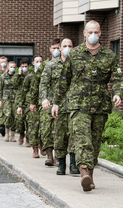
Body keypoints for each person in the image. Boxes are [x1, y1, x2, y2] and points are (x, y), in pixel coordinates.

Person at [52, 20, 123, 191]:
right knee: (82, 137)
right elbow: (64, 80)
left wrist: (117, 92)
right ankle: (83, 170)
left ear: (100, 34)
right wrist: (56, 102)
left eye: (96, 32)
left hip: (100, 106)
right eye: (90, 32)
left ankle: (90, 176)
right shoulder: (74, 54)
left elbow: (117, 78)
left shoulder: (109, 56)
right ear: (84, 33)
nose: (93, 35)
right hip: (78, 105)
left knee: (95, 141)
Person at [40, 38, 80, 175]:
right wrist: (44, 99)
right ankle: (61, 164)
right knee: (59, 136)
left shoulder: (78, 65)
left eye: (70, 45)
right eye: (65, 46)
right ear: (60, 48)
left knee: (74, 135)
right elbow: (43, 83)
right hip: (57, 106)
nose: (67, 48)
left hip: (74, 106)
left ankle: (73, 164)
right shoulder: (51, 65)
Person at [30, 38, 60, 166]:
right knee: (46, 129)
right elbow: (36, 83)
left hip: (61, 103)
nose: (56, 50)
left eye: (59, 48)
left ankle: (59, 155)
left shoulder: (67, 63)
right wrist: (33, 101)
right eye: (54, 48)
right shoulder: (44, 65)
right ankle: (49, 155)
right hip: (46, 103)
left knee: (59, 130)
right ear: (50, 49)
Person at [17, 55, 46, 157]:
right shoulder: (29, 77)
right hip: (32, 106)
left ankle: (42, 145)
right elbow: (23, 92)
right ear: (33, 63)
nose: (39, 63)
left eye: (41, 61)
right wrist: (20, 106)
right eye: (37, 61)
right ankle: (35, 149)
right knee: (33, 128)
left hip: (43, 104)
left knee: (43, 128)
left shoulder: (45, 74)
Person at [13, 58, 32, 147]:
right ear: (20, 67)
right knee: (19, 120)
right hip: (20, 100)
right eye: (23, 66)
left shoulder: (32, 75)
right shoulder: (18, 76)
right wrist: (19, 74)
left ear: (29, 66)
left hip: (29, 100)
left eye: (26, 66)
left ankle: (27, 138)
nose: (24, 68)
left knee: (29, 120)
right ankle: (21, 134)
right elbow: (14, 85)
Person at [0, 61, 17, 142]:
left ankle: (13, 135)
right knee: (8, 116)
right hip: (6, 99)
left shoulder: (17, 76)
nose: (13, 68)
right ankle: (7, 134)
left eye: (14, 67)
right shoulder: (3, 77)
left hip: (15, 99)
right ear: (8, 67)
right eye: (11, 67)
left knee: (14, 117)